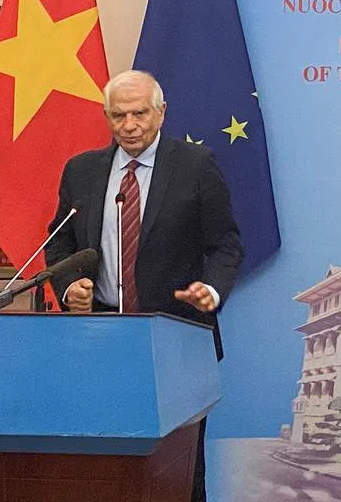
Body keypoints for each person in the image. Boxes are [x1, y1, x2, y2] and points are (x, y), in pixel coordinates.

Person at [44, 69, 243, 502]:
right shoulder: (82, 171)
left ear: (161, 113)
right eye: (119, 116)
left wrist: (211, 290)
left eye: (139, 114)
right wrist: (70, 286)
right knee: (105, 467)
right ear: (106, 117)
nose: (130, 125)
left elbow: (225, 245)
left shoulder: (195, 166)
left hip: (177, 338)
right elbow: (59, 243)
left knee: (177, 470)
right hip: (100, 339)